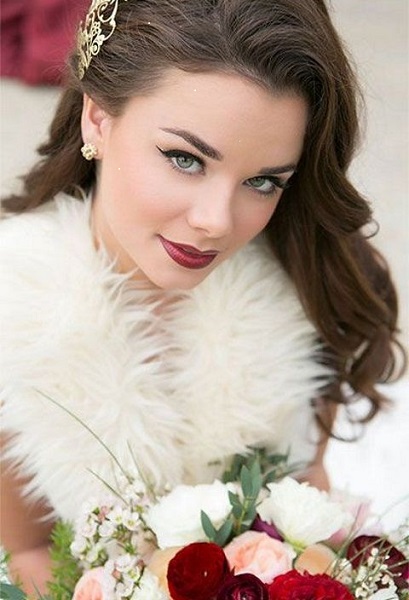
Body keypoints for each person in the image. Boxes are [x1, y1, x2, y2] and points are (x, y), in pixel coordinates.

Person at [0, 0, 405, 595]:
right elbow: (29, 550)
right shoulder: (13, 317)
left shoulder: (305, 289)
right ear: (98, 119)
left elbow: (308, 503)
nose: (216, 221)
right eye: (185, 159)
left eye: (263, 181)